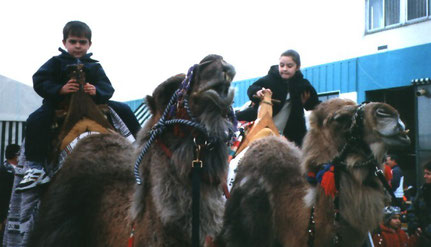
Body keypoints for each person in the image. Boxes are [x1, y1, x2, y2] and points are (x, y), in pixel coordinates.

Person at [16, 21, 140, 191]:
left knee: (124, 109)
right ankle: (35, 167)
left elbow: (108, 87)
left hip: (93, 104)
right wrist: (60, 89)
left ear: (89, 44)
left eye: (82, 42)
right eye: (73, 41)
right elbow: (40, 81)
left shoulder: (95, 66)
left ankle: (141, 147)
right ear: (64, 43)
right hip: (59, 104)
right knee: (36, 119)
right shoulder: (55, 63)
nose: (77, 46)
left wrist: (96, 90)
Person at [235, 49, 320, 147]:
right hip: (262, 127)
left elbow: (314, 105)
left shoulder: (302, 85)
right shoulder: (270, 80)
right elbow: (252, 88)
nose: (284, 69)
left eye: (289, 66)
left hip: (291, 133)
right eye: (282, 65)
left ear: (297, 67)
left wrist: (307, 103)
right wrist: (258, 92)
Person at [407, 161, 431, 247]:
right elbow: (412, 209)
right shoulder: (422, 191)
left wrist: (426, 232)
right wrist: (415, 226)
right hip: (421, 238)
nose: (425, 176)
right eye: (425, 173)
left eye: (428, 174)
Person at [0, 144, 20, 242]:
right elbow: (2, 196)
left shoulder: (21, 170)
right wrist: (3, 216)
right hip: (6, 214)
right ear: (16, 155)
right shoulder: (3, 171)